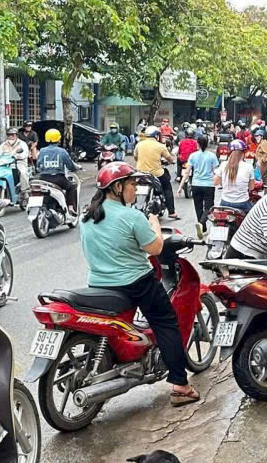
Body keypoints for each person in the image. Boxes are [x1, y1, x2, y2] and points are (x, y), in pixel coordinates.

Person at [79, 162, 198, 406]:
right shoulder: (132, 216)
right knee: (166, 322)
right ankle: (180, 386)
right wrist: (154, 223)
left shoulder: (87, 216)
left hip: (98, 284)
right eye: (132, 184)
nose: (136, 189)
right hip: (135, 282)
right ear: (118, 188)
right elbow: (156, 248)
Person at [134, 126, 178, 219]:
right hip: (156, 173)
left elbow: (135, 157)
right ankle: (171, 212)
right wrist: (172, 161)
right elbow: (169, 159)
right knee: (167, 188)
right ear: (156, 136)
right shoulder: (160, 146)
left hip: (140, 173)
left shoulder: (139, 144)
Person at [35, 128, 79, 214]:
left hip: (44, 179)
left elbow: (38, 165)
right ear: (58, 139)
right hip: (58, 179)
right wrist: (75, 168)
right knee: (72, 187)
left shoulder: (42, 150)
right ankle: (71, 207)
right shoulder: (62, 151)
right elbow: (70, 165)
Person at [186, 133, 219, 236]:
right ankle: (201, 223)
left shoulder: (193, 155)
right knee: (209, 207)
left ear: (198, 144)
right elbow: (216, 171)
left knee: (198, 207)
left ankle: (203, 229)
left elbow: (187, 172)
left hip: (196, 184)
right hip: (209, 185)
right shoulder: (212, 156)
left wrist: (181, 185)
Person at [215, 139, 257, 214]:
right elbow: (251, 187)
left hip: (225, 203)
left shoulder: (223, 165)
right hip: (243, 203)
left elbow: (216, 182)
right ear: (243, 153)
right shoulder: (248, 167)